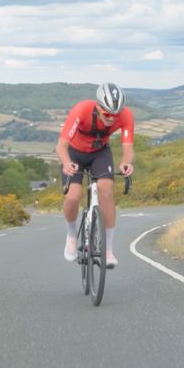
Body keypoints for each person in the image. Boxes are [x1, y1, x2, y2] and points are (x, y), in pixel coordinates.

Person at [56, 81, 135, 269]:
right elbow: (61, 146)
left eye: (115, 115)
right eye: (107, 114)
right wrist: (67, 162)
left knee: (106, 189)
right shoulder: (81, 110)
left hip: (100, 153)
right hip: (74, 154)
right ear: (98, 107)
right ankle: (72, 235)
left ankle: (107, 249)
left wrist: (126, 162)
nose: (111, 118)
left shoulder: (125, 116)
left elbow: (128, 148)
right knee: (73, 196)